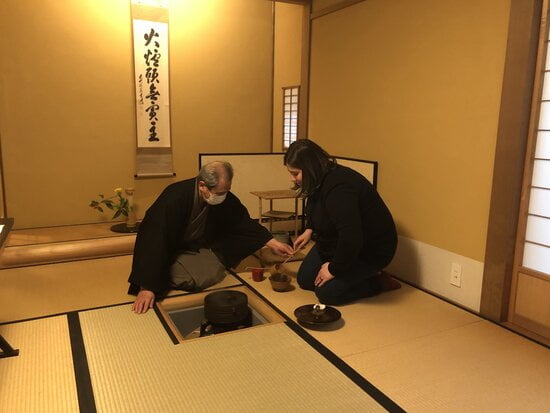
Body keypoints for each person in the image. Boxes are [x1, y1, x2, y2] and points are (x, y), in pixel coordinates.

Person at [128, 161, 293, 313]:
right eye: (219, 192)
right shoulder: (174, 198)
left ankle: (205, 263)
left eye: (226, 191)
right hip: (170, 249)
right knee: (197, 278)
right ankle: (160, 277)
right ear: (202, 185)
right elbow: (153, 238)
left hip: (200, 245)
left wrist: (273, 243)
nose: (223, 196)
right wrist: (147, 287)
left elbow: (242, 221)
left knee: (220, 260)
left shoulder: (222, 197)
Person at [285, 139, 400, 305]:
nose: (293, 179)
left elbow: (351, 237)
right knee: (305, 280)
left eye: (295, 173)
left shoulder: (340, 187)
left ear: (311, 168)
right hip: (335, 242)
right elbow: (316, 207)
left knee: (327, 294)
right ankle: (350, 272)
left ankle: (378, 281)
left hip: (367, 250)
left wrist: (333, 269)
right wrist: (309, 230)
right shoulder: (319, 178)